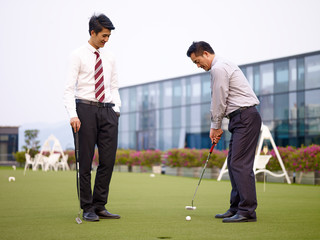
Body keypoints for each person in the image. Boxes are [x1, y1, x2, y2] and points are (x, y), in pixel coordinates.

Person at [186, 41, 262, 223]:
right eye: (194, 63)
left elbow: (219, 99)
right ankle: (236, 207)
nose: (198, 66)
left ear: (205, 53)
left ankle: (247, 211)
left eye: (197, 61)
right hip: (240, 118)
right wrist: (219, 125)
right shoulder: (222, 65)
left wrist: (215, 126)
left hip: (245, 117)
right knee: (233, 161)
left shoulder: (218, 68)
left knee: (239, 163)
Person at [64, 13, 121, 222]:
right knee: (85, 162)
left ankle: (99, 206)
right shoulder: (77, 55)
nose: (106, 40)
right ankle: (87, 207)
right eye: (104, 36)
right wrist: (73, 114)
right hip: (84, 111)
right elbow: (69, 89)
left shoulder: (111, 57)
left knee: (108, 161)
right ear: (92, 33)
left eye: (108, 36)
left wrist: (117, 110)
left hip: (108, 111)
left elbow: (114, 86)